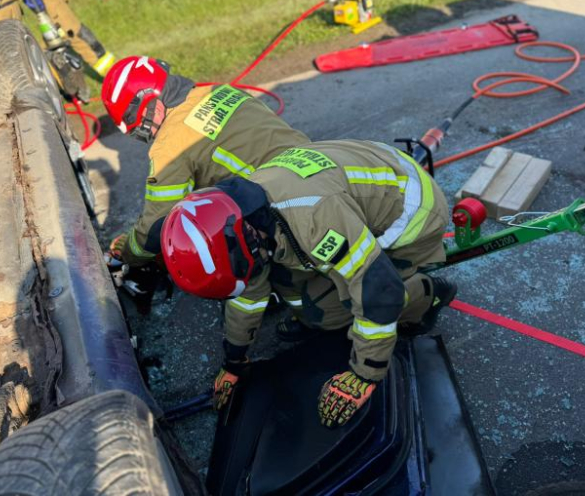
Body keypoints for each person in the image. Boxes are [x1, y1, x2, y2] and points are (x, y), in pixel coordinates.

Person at [161, 139, 457, 428]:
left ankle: (426, 294)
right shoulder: (239, 212)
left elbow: (378, 290)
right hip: (370, 173)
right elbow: (248, 298)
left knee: (338, 310)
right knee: (296, 291)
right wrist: (234, 362)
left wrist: (365, 374)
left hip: (412, 211)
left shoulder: (314, 219)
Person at [101, 55, 310, 268]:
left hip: (289, 214)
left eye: (139, 130)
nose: (145, 137)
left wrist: (128, 250)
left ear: (147, 107)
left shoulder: (169, 145)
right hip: (318, 164)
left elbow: (156, 227)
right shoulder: (220, 91)